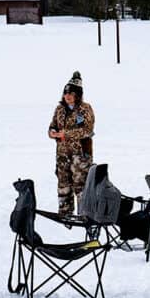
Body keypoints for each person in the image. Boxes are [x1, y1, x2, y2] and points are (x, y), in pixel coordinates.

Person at [47, 73, 95, 213]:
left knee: (81, 185)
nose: (67, 96)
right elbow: (53, 125)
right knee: (63, 184)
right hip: (62, 154)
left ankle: (85, 213)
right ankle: (65, 214)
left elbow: (87, 130)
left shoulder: (85, 108)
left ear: (78, 95)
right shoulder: (59, 109)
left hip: (80, 155)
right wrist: (52, 132)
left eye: (71, 93)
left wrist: (66, 134)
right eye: (65, 93)